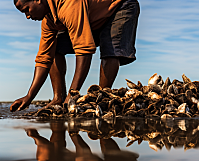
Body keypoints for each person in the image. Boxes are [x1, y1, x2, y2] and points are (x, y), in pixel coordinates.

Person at [10, 0, 140, 112]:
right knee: (54, 48)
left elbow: (84, 50)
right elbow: (44, 59)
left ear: (38, 0)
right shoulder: (49, 20)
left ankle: (102, 98)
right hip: (93, 17)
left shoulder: (69, 5)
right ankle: (58, 98)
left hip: (119, 6)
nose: (27, 16)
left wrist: (73, 94)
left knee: (110, 49)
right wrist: (29, 96)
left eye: (27, 9)